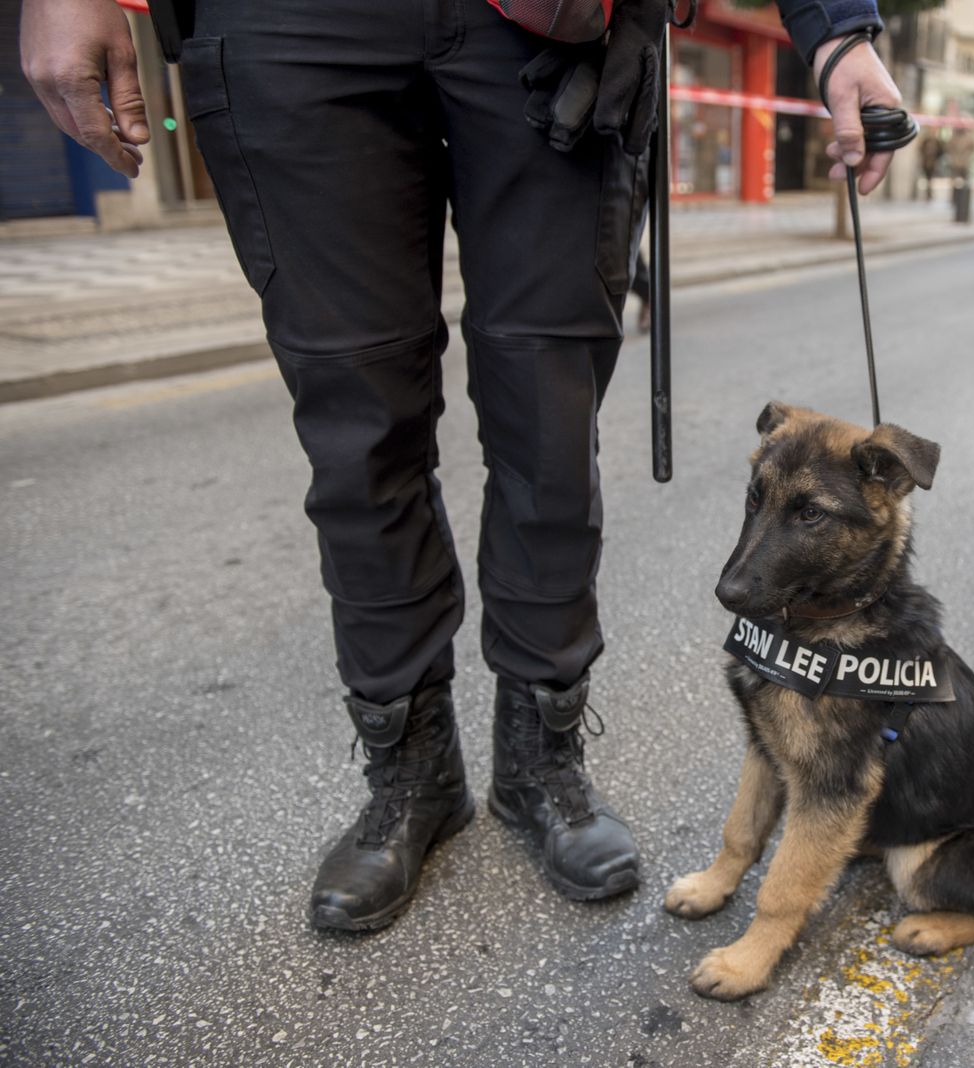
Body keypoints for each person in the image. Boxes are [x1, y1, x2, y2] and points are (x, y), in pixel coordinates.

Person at [21, 0, 906, 931]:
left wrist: (836, 25)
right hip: (289, 29)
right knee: (359, 440)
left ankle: (538, 765)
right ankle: (413, 777)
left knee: (549, 439)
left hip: (553, 25)